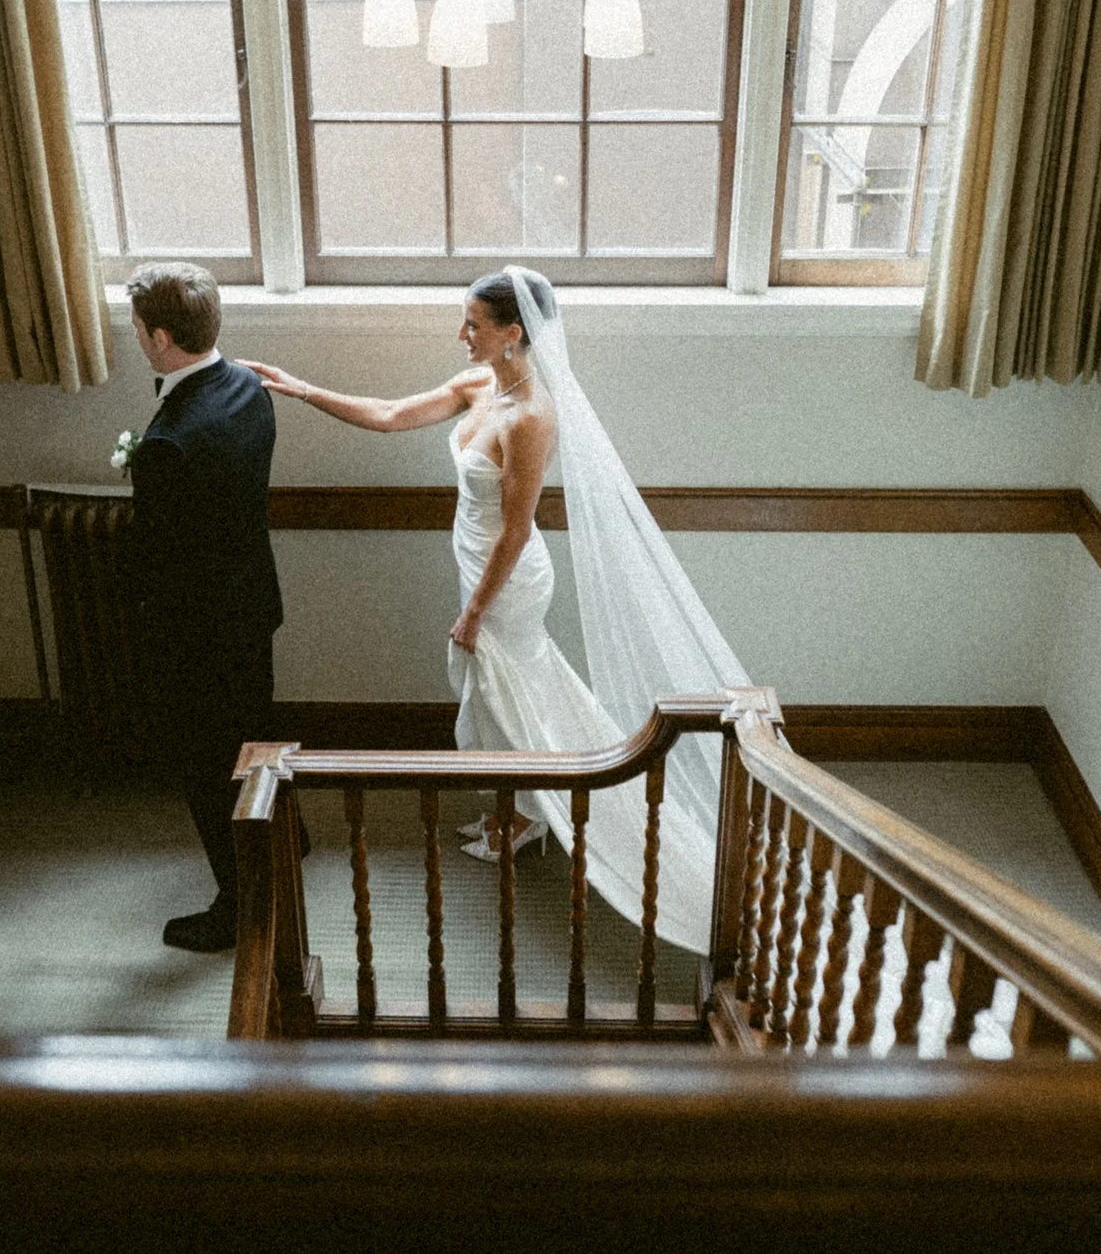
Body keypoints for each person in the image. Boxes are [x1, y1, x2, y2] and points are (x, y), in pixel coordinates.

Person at [242, 267, 742, 953]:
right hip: (478, 565)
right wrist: (301, 389)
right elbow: (391, 416)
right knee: (505, 697)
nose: (461, 334)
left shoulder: (532, 415)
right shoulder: (482, 384)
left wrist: (475, 611)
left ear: (513, 334)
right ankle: (524, 809)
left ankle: (531, 814)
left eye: (474, 324)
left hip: (506, 580)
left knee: (508, 700)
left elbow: (515, 528)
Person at [123, 262, 283, 954]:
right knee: (255, 737)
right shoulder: (248, 384)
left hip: (197, 633)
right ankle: (284, 838)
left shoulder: (167, 443)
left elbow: (157, 560)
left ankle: (239, 899)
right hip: (253, 600)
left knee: (206, 763)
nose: (135, 338)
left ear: (161, 337)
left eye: (136, 329)